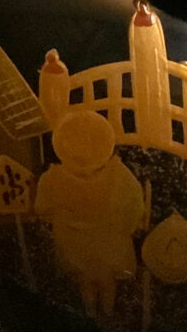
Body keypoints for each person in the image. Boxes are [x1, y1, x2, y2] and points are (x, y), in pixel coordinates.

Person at [34, 111, 144, 319]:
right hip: (107, 243)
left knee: (89, 277)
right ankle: (101, 314)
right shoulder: (118, 174)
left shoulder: (52, 178)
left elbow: (43, 208)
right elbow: (134, 205)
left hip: (80, 244)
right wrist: (127, 225)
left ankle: (94, 314)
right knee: (102, 278)